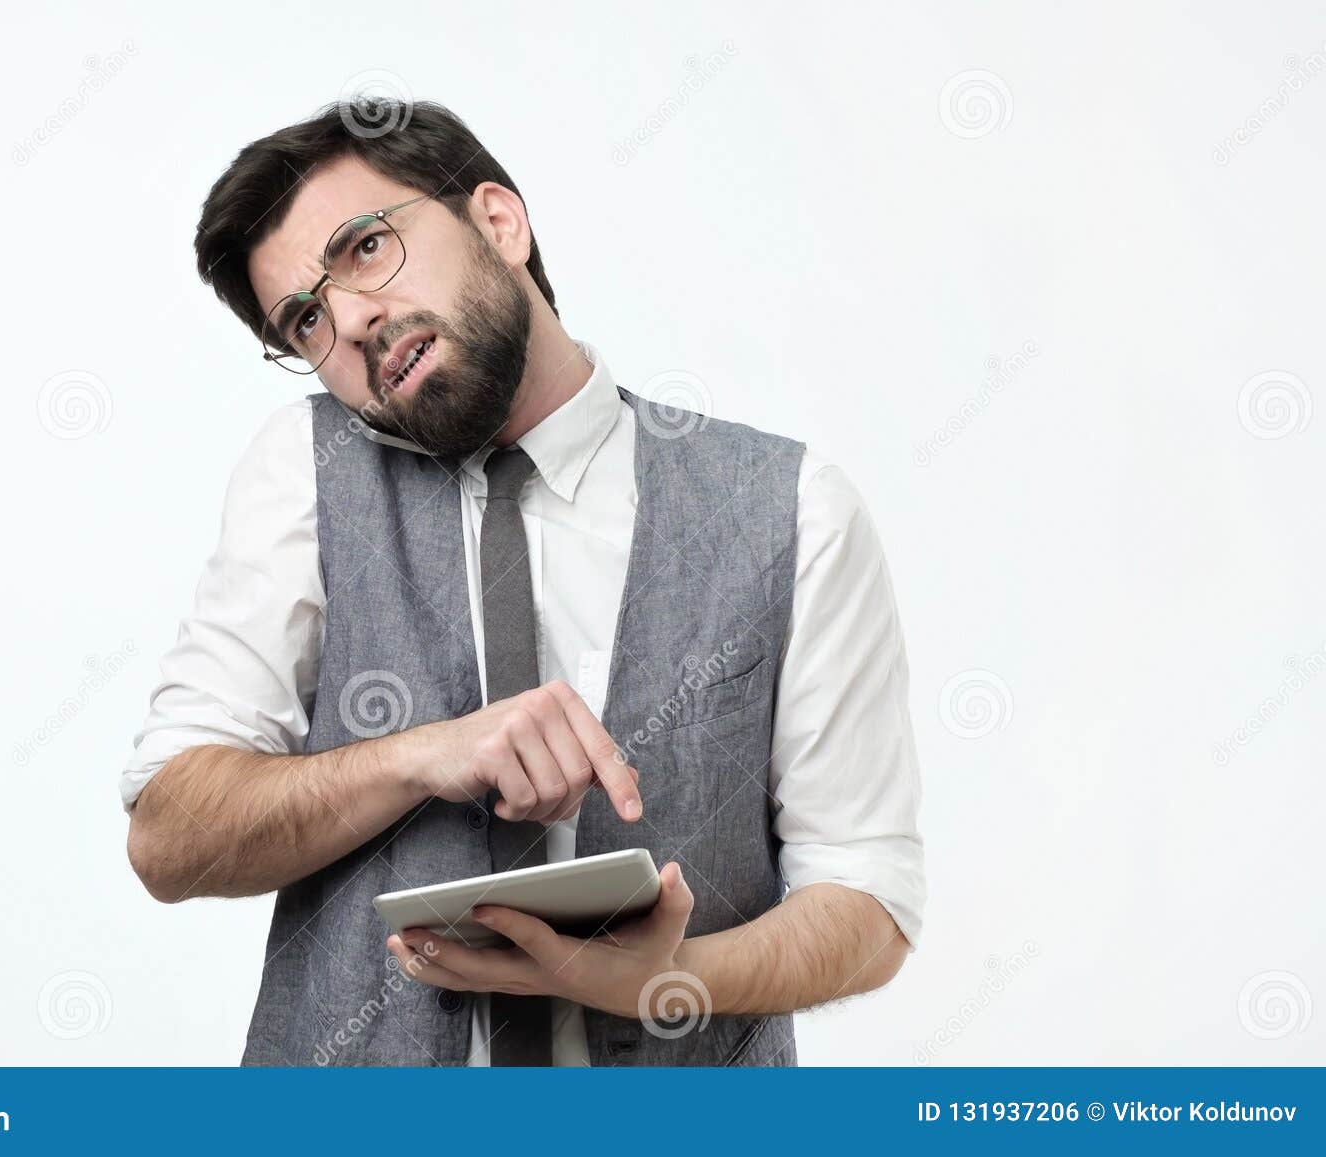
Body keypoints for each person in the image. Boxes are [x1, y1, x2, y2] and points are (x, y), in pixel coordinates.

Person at [121, 98, 925, 1066]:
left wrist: (665, 978)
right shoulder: (306, 468)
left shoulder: (791, 508)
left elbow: (867, 897)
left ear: (498, 222)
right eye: (306, 319)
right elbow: (169, 839)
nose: (353, 320)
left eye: (366, 248)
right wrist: (420, 756)